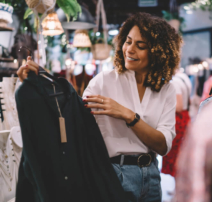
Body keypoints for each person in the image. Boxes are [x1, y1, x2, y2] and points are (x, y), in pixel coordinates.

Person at [17, 12, 182, 202]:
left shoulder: (166, 90)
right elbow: (72, 112)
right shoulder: (106, 81)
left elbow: (163, 145)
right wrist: (41, 82)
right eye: (128, 41)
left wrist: (128, 115)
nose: (129, 49)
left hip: (152, 177)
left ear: (158, 51)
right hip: (114, 174)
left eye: (141, 45)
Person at [161, 69, 191, 177]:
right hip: (185, 116)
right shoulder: (184, 77)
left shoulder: (174, 82)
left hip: (178, 120)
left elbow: (178, 106)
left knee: (175, 155)